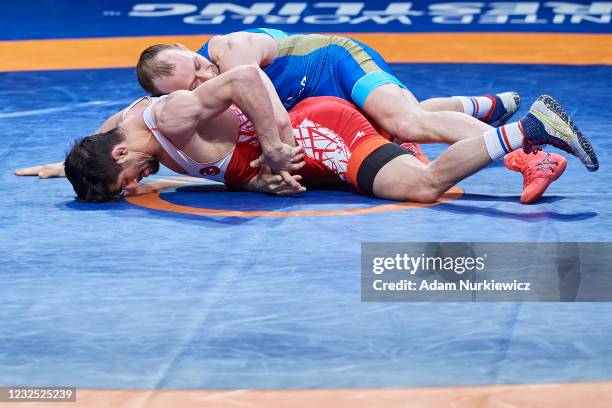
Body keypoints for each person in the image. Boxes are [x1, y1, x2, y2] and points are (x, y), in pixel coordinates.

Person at [63, 66, 598, 206]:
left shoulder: (169, 117)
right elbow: (99, 145)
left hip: (319, 130)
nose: (134, 186)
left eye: (123, 180)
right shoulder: (125, 137)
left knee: (421, 185)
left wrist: (274, 146)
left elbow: (246, 78)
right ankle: (495, 113)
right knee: (403, 124)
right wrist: (255, 186)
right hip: (316, 145)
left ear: (121, 151)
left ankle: (528, 131)